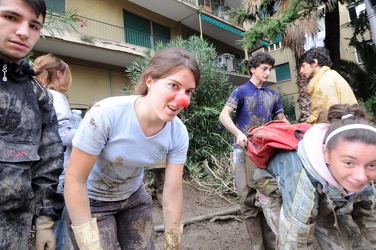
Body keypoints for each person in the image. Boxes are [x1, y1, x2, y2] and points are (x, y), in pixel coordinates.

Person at [64, 47, 200, 249]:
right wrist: (89, 242)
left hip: (133, 197)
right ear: (150, 80)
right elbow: (75, 180)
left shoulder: (178, 133)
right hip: (92, 200)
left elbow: (172, 190)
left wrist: (173, 242)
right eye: (174, 86)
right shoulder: (106, 114)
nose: (183, 99)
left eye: (188, 92)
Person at [256, 103, 376, 249]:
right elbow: (295, 242)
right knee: (295, 237)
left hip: (324, 193)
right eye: (349, 163)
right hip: (276, 188)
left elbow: (369, 217)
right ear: (326, 154)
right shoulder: (304, 185)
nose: (361, 177)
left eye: (371, 165)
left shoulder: (359, 166)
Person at [0, 0, 64, 249]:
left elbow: (48, 161)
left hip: (15, 232)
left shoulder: (37, 94)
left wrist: (46, 221)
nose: (24, 32)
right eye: (11, 17)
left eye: (34, 25)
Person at [219, 52, 288, 249]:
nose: (268, 73)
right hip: (242, 151)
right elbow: (224, 115)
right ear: (252, 69)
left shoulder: (273, 95)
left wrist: (295, 138)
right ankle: (257, 246)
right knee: (246, 198)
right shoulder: (241, 91)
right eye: (264, 69)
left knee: (269, 197)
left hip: (266, 152)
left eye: (270, 69)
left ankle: (271, 244)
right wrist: (238, 134)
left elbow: (282, 121)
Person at [33, 53, 75, 250]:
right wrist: (89, 132)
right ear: (58, 73)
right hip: (57, 174)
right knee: (60, 236)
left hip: (35, 175)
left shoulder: (32, 93)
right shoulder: (55, 97)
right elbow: (62, 136)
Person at [299, 46, 358, 125]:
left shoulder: (323, 83)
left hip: (342, 132)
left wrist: (303, 127)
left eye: (303, 66)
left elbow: (324, 118)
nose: (301, 71)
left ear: (314, 62)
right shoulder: (331, 75)